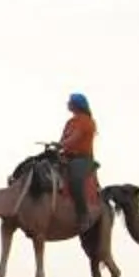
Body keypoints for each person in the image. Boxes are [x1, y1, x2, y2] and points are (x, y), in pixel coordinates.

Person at [54, 91, 98, 226]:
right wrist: (56, 146)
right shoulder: (70, 122)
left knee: (75, 180)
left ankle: (83, 214)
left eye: (70, 101)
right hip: (67, 157)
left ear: (76, 105)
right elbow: (63, 139)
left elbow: (75, 138)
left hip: (82, 159)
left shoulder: (87, 122)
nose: (68, 103)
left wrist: (61, 144)